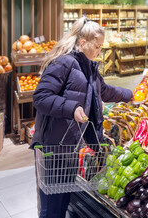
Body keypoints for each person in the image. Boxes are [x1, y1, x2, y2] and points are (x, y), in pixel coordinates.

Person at [31, 16, 133, 218]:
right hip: (53, 146)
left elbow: (104, 90)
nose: (99, 52)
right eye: (97, 46)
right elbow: (41, 97)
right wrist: (72, 108)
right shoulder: (63, 63)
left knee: (63, 200)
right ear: (83, 42)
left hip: (70, 144)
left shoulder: (89, 68)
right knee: (51, 206)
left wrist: (130, 95)